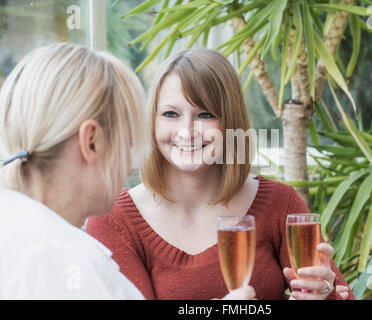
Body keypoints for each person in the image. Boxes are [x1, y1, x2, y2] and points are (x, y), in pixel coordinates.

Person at [87, 48, 355, 300]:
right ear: (153, 123)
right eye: (170, 114)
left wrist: (326, 292)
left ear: (230, 123)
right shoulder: (114, 220)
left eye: (204, 115)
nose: (187, 131)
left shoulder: (279, 203)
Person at [0, 43, 254, 300]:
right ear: (92, 142)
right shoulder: (64, 258)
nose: (130, 163)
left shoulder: (20, 232)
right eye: (128, 141)